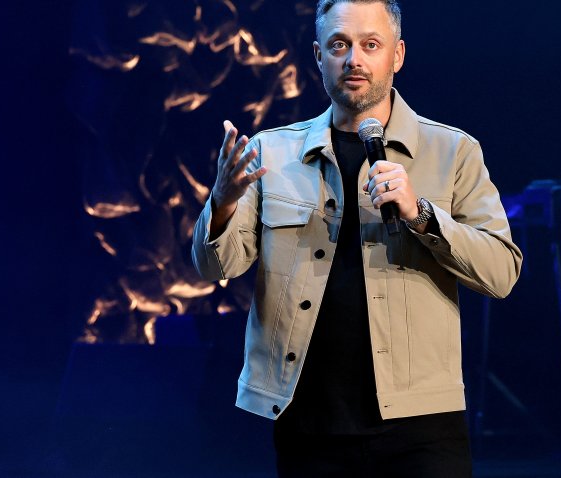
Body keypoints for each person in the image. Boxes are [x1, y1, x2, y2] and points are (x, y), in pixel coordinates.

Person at [191, 0, 522, 475]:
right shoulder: (271, 153)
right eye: (339, 45)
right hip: (307, 421)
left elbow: (503, 272)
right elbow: (213, 268)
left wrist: (422, 215)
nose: (354, 60)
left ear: (398, 54)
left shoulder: (453, 150)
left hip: (420, 423)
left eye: (371, 45)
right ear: (318, 55)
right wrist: (222, 203)